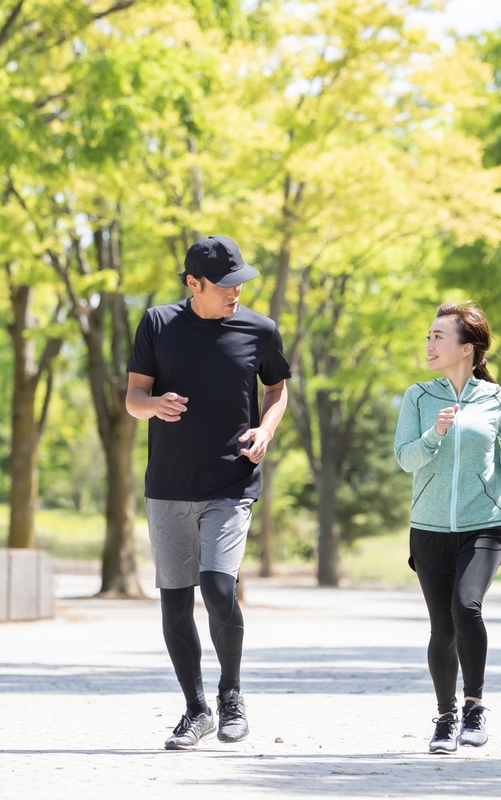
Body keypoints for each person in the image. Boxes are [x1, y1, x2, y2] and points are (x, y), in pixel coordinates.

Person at [126, 235, 291, 751]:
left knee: (219, 587)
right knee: (175, 603)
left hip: (231, 482)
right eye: (224, 285)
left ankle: (231, 696)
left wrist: (265, 430)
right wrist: (153, 406)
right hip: (169, 485)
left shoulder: (260, 330)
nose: (235, 292)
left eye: (240, 282)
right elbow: (133, 396)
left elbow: (277, 389)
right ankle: (196, 710)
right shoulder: (157, 324)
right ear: (193, 283)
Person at [394, 302, 501, 755]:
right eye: (428, 337)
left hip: (483, 523)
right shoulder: (417, 397)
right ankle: (445, 718)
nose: (429, 345)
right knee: (442, 628)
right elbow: (405, 458)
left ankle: (474, 708)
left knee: (465, 607)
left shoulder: (497, 398)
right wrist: (434, 434)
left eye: (438, 337)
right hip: (429, 527)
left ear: (466, 348)